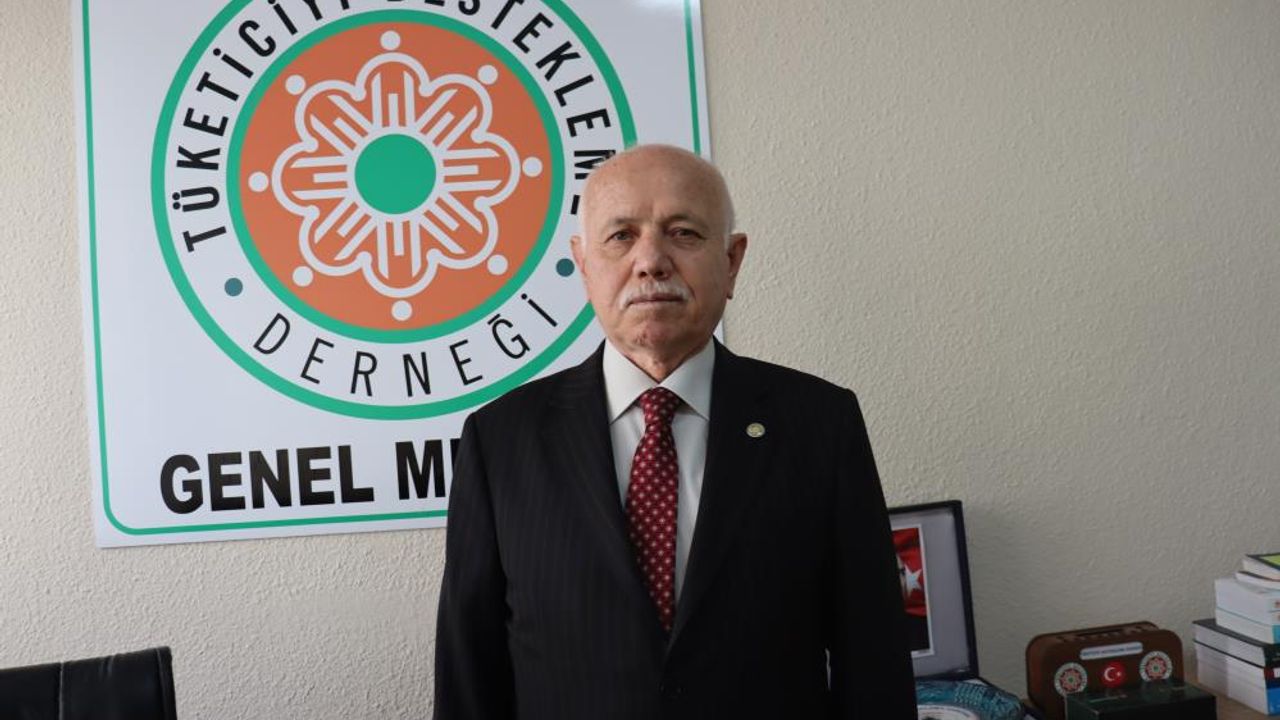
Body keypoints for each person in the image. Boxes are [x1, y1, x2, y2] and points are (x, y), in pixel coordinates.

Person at [433, 144, 916, 719]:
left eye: (683, 233)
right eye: (621, 236)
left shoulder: (821, 423)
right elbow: (470, 671)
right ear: (583, 264)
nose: (651, 262)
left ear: (732, 261)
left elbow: (874, 659)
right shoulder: (499, 440)